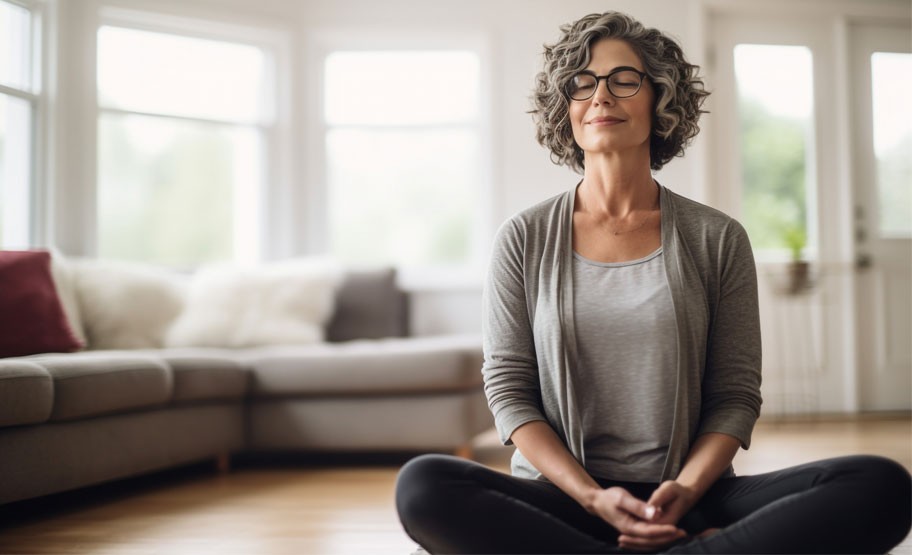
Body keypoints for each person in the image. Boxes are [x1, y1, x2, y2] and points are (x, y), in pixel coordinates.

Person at [395, 11, 911, 554]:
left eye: (624, 80)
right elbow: (510, 393)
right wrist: (594, 498)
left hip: (687, 498)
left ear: (660, 99)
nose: (601, 96)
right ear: (564, 107)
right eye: (582, 83)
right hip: (564, 500)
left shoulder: (718, 237)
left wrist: (685, 492)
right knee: (424, 486)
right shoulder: (522, 237)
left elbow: (734, 397)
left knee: (880, 485)